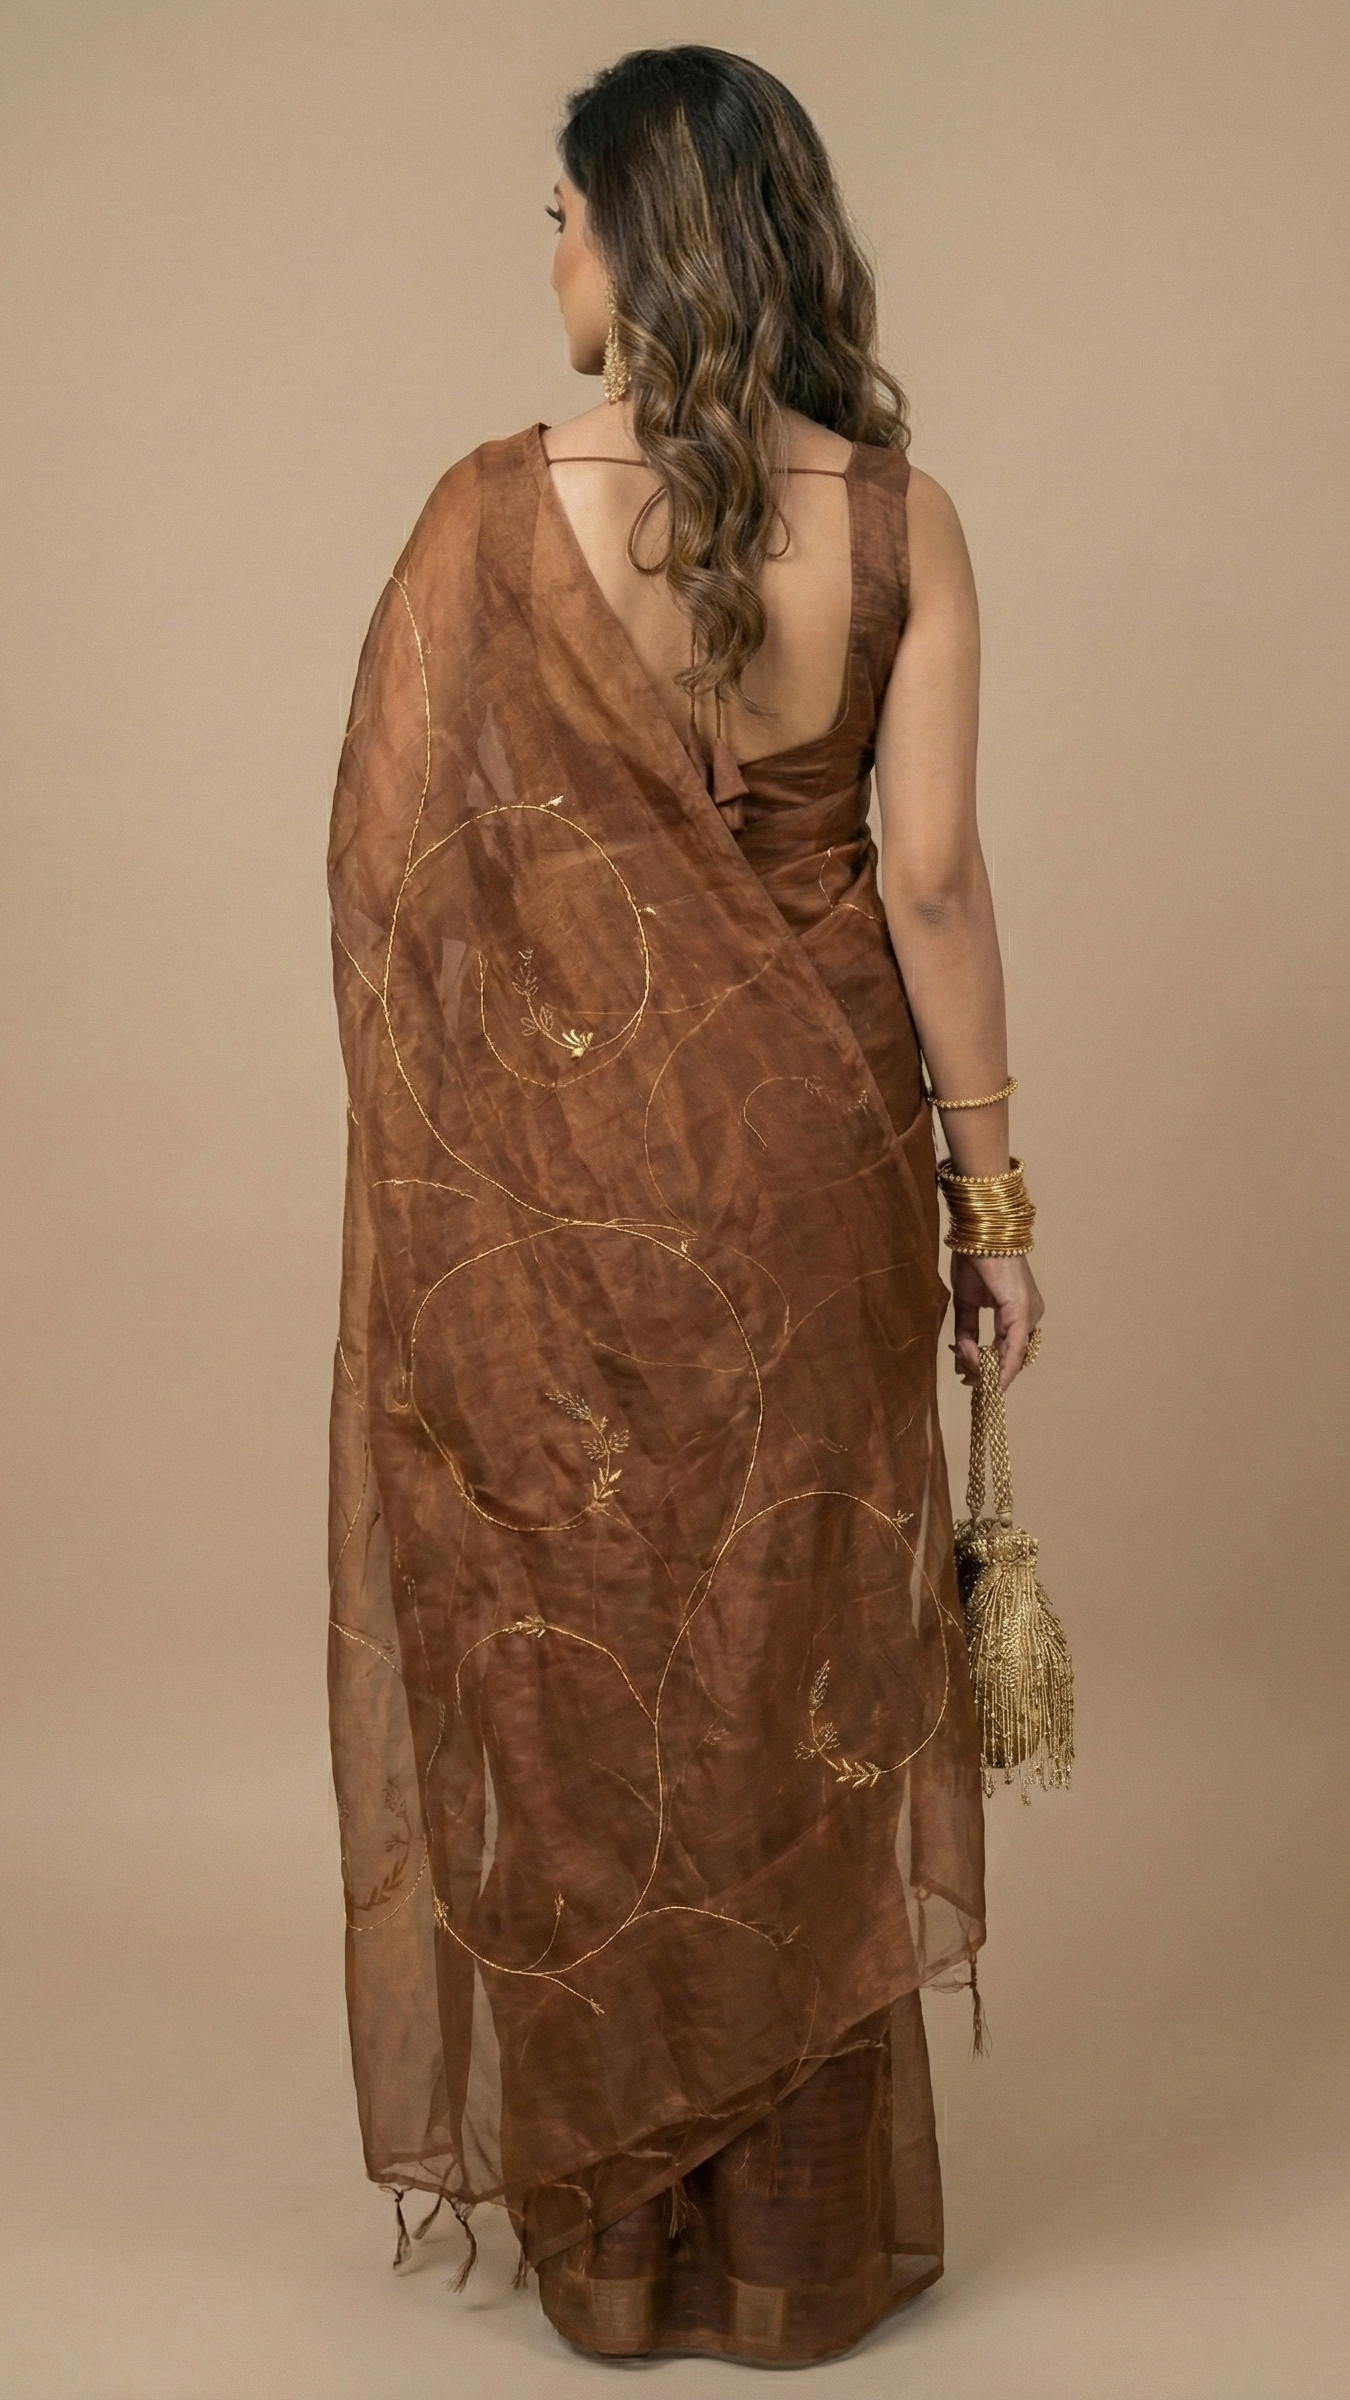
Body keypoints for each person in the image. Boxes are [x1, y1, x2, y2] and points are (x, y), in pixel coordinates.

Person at [327, 42, 1044, 2368]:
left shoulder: (481, 521)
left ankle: (619, 2264)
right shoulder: (904, 522)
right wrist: (998, 1199)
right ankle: (792, 2262)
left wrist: (507, 1134)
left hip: (560, 1213)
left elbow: (398, 888)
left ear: (640, 241)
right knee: (789, 1676)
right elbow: (924, 881)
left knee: (593, 1660)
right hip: (824, 1180)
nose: (547, 257)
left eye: (560, 214)